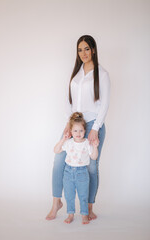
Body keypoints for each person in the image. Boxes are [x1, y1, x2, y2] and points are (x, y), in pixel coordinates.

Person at [46, 35, 110, 221]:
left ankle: (88, 208)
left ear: (94, 50)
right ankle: (56, 202)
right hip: (73, 123)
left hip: (92, 124)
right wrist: (68, 123)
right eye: (80, 49)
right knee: (59, 161)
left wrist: (95, 128)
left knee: (91, 166)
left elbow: (104, 104)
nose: (84, 53)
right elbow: (68, 100)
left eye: (87, 49)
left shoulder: (102, 74)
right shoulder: (76, 73)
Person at [54, 112, 99, 224]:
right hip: (68, 172)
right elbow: (56, 150)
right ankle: (70, 214)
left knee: (83, 195)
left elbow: (93, 157)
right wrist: (63, 139)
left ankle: (84, 214)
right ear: (71, 131)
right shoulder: (68, 143)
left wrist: (95, 147)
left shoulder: (87, 143)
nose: (78, 133)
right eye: (75, 131)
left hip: (82, 173)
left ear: (85, 131)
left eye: (81, 131)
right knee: (69, 196)